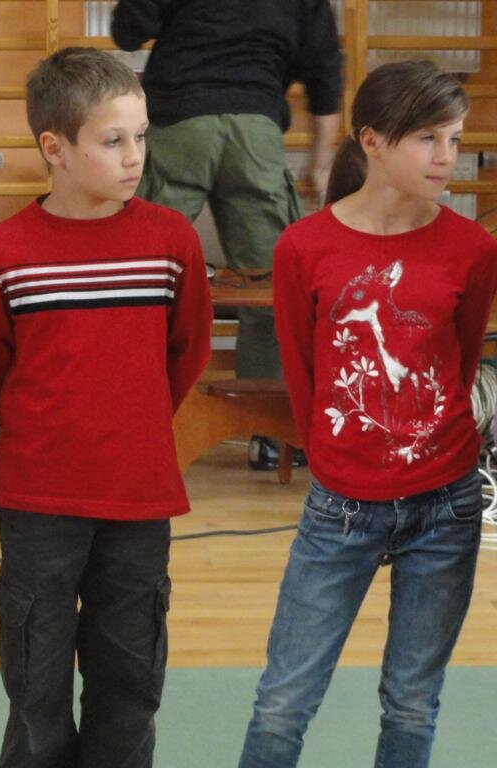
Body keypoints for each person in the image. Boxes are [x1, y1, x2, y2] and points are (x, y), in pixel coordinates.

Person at [237, 60, 497, 768]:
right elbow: (302, 375)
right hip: (341, 507)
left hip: (446, 504)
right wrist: (339, 462)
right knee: (283, 701)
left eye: (454, 138)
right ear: (372, 141)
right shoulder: (304, 247)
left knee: (413, 701)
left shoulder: (474, 249)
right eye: (427, 138)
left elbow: (460, 363)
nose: (446, 156)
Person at [0, 47, 212, 768]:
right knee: (34, 679)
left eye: (140, 136)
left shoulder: (171, 242)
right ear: (55, 148)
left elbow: (186, 351)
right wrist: (56, 427)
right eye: (112, 141)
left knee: (130, 678)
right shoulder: (2, 252)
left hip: (139, 495)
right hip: (37, 499)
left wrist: (132, 424)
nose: (134, 156)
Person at [111, 0, 342, 468]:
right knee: (270, 285)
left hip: (180, 122)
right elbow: (325, 75)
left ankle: (131, 422)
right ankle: (270, 435)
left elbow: (128, 29)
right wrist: (320, 163)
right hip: (255, 130)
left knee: (142, 277)